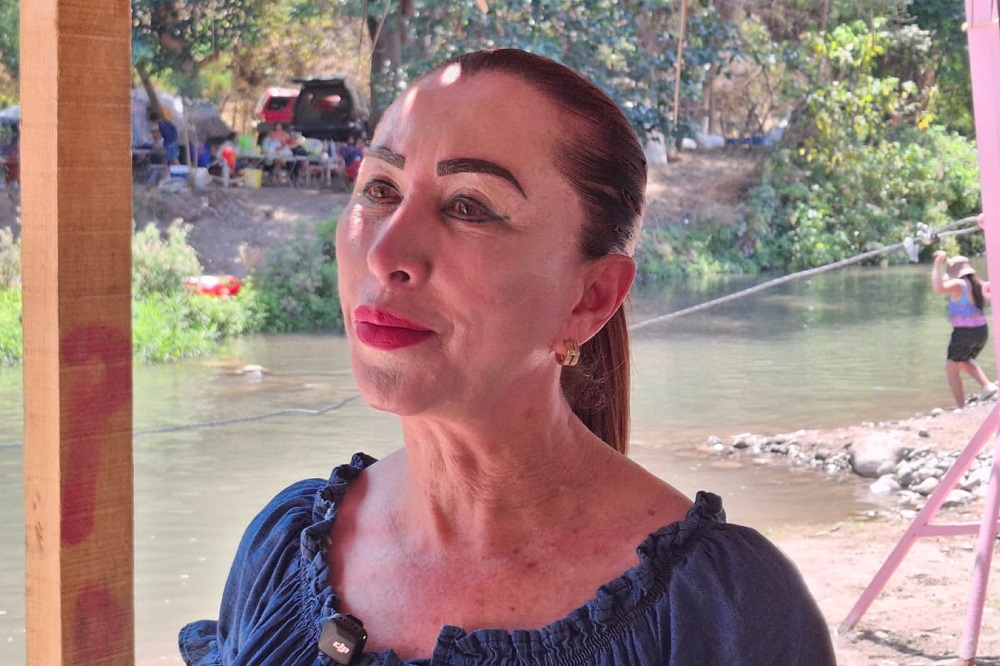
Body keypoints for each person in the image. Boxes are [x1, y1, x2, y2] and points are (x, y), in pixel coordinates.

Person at [179, 49, 836, 665]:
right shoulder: (284, 548)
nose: (384, 255)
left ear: (590, 298)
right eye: (379, 189)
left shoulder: (723, 612)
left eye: (468, 206)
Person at [932, 250, 997, 408]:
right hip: (981, 331)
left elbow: (938, 288)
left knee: (951, 369)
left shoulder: (959, 284)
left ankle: (961, 406)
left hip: (964, 333)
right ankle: (987, 385)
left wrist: (937, 263)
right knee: (963, 360)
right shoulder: (977, 284)